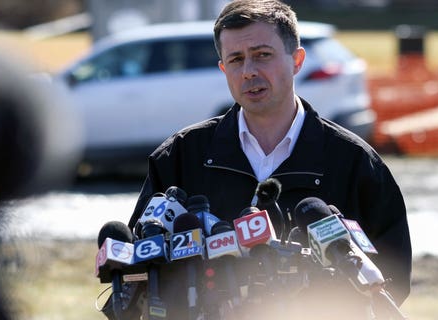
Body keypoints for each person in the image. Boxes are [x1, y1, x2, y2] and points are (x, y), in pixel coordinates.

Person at [124, 0, 411, 318]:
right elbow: (135, 277)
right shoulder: (179, 157)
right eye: (236, 59)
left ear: (297, 60)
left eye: (263, 55)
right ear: (223, 69)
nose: (248, 71)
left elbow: (392, 280)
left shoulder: (356, 163)